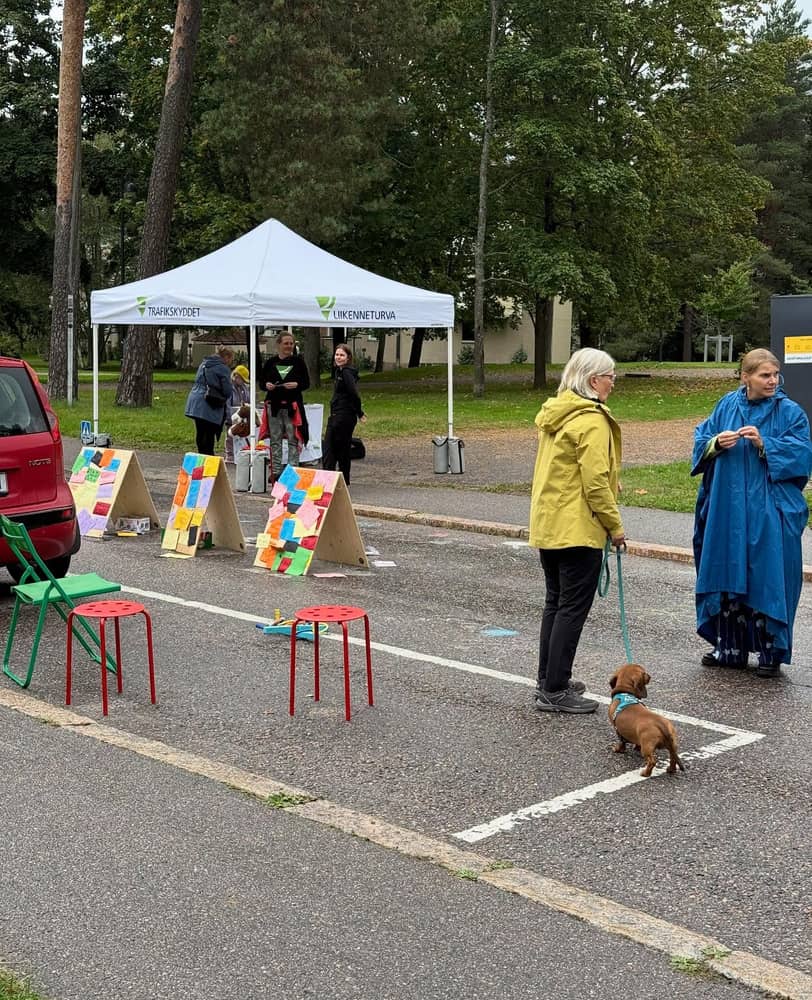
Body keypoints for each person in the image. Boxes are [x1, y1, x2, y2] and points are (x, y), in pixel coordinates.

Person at [692, 348, 811, 678]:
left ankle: (770, 653)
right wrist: (715, 443)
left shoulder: (790, 413)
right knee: (726, 572)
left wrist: (765, 444)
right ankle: (729, 648)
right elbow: (701, 437)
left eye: (775, 375)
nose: (772, 381)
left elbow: (802, 454)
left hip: (768, 510)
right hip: (727, 510)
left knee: (767, 576)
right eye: (764, 375)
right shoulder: (727, 405)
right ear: (746, 377)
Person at [529, 348, 625, 714]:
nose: (613, 383)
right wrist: (615, 527)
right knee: (570, 608)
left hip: (550, 523)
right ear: (592, 380)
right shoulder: (592, 421)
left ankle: (549, 679)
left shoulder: (557, 414)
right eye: (609, 376)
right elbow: (595, 483)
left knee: (556, 603)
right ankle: (555, 688)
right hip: (577, 527)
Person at [259, 331, 310, 479]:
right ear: (278, 345)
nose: (289, 346)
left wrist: (297, 384)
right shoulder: (270, 363)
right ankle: (276, 473)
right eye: (286, 343)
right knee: (275, 440)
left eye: (291, 343)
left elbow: (306, 383)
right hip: (273, 406)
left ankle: (292, 473)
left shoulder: (299, 362)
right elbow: (262, 382)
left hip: (292, 407)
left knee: (293, 439)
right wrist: (266, 385)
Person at [322, 343, 366, 485]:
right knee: (335, 448)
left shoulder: (346, 373)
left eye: (342, 355)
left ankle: (338, 481)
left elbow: (354, 393)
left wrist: (359, 413)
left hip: (343, 416)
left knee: (336, 448)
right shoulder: (340, 372)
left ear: (348, 358)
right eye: (337, 354)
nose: (338, 357)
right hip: (337, 414)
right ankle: (336, 480)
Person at [184, 346, 234, 456]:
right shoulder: (223, 368)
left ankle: (201, 456)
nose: (231, 362)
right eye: (231, 359)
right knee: (209, 434)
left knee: (200, 432)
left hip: (195, 401)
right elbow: (227, 391)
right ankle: (208, 459)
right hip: (210, 403)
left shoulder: (204, 364)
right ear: (226, 357)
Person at [224, 364, 251, 464]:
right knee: (230, 436)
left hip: (242, 415)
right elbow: (227, 404)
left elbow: (248, 400)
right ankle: (230, 455)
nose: (243, 382)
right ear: (236, 376)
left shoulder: (245, 388)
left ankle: (240, 453)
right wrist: (229, 417)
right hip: (232, 415)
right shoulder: (229, 388)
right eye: (241, 379)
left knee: (242, 435)